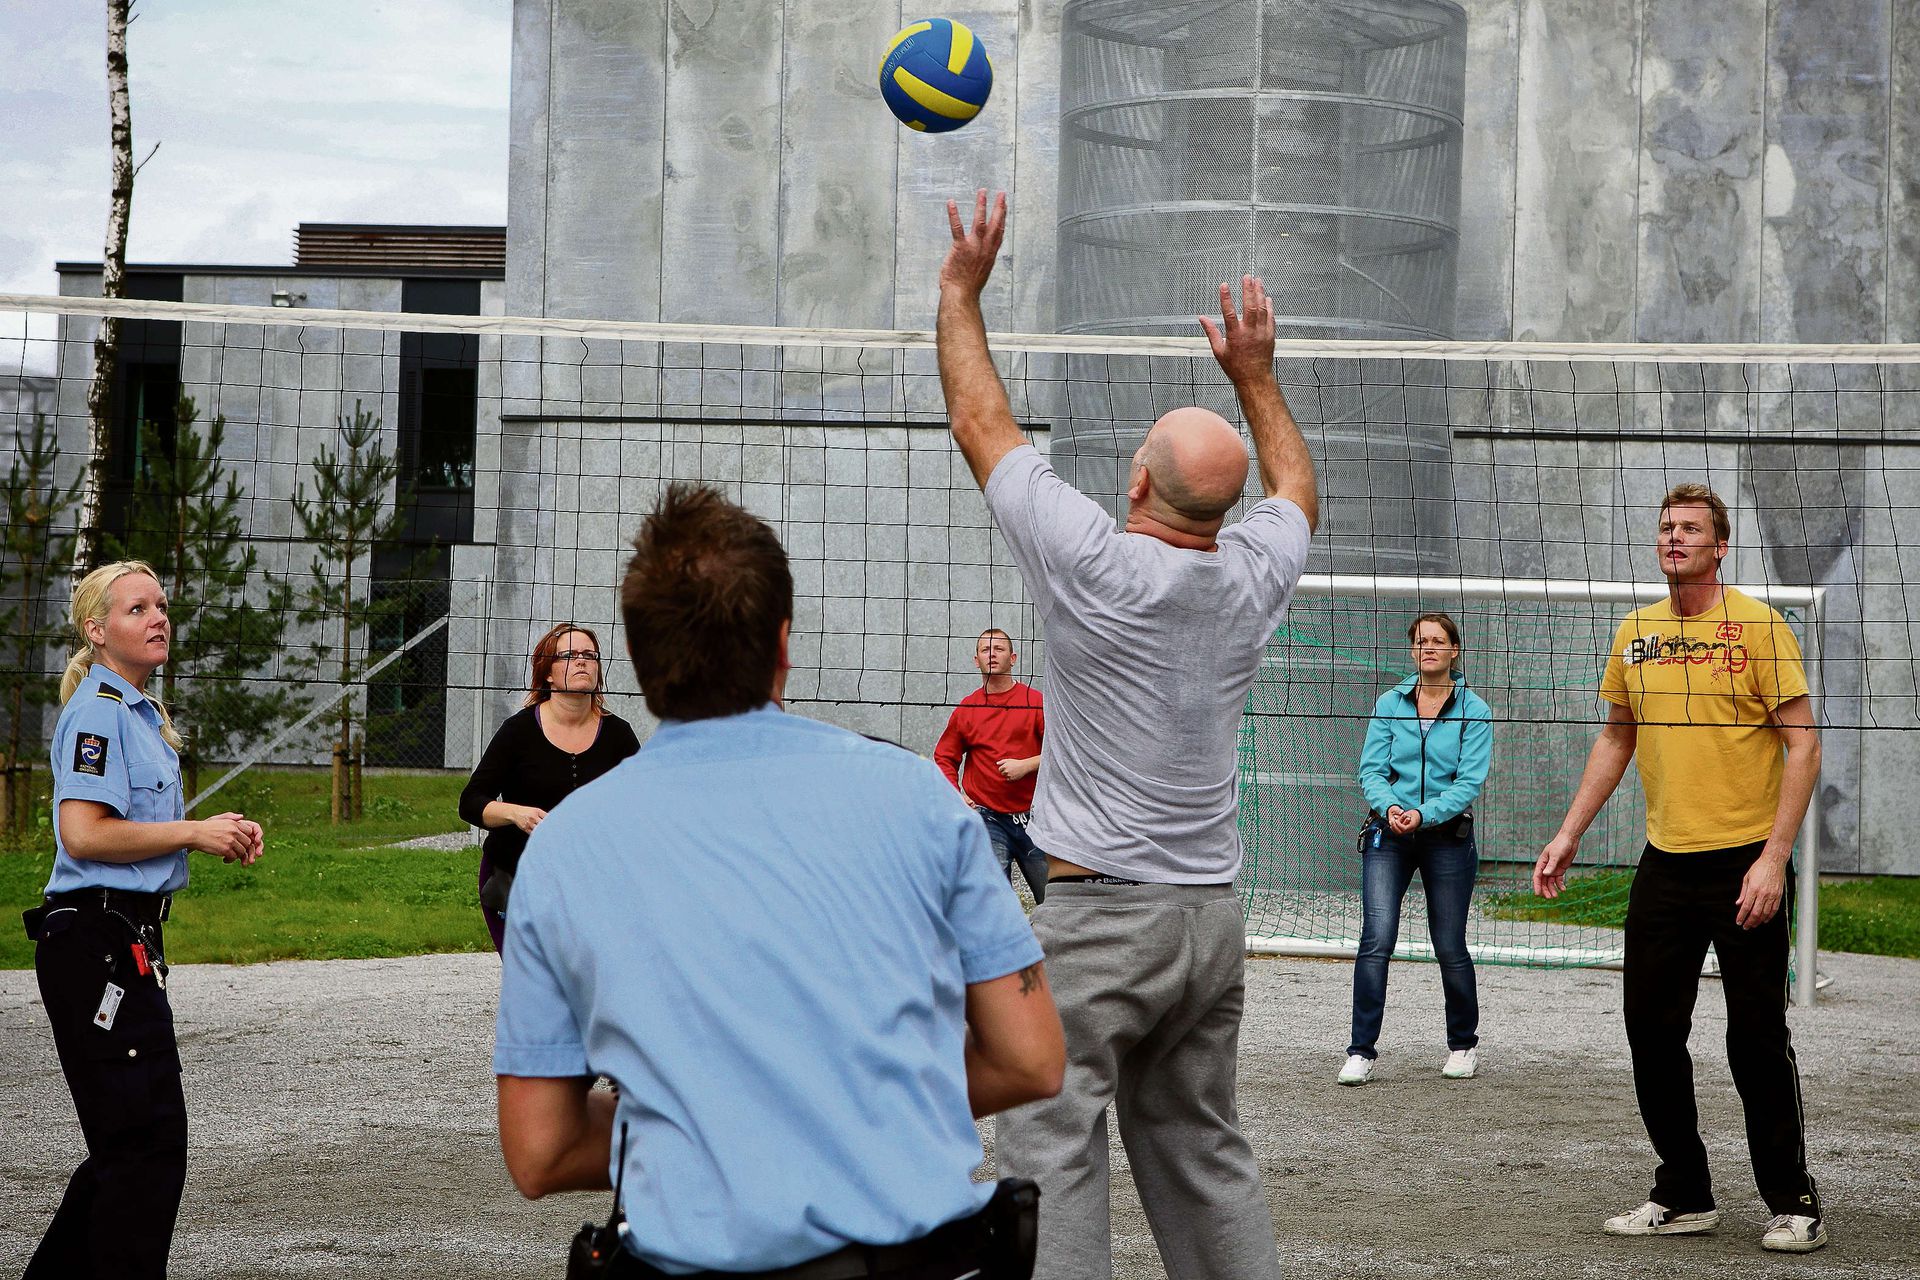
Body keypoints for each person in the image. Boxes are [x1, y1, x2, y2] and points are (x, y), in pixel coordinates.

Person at [493, 484, 1067, 1278]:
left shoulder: (564, 848)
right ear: (784, 643)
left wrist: (705, 1119)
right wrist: (848, 1102)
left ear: (638, 657)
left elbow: (541, 1149)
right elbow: (1030, 1059)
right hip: (917, 1259)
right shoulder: (921, 798)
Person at [935, 190, 1317, 1280]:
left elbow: (981, 423)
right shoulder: (1251, 576)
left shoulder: (1092, 560)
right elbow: (1295, 484)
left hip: (1101, 913)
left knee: (1052, 1144)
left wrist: (962, 290)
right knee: (1203, 1150)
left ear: (1138, 482)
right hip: (1209, 919)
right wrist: (1255, 373)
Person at [1534, 483, 1826, 1254]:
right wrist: (1568, 832)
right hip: (1665, 862)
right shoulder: (1635, 633)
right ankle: (1685, 1191)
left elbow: (1804, 744)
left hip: (1745, 861)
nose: (1674, 539)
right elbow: (1616, 738)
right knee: (1650, 1032)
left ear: (1720, 545)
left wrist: (1774, 859)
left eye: (1690, 529)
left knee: (1755, 1038)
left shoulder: (1759, 628)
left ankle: (1793, 1200)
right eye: (1665, 528)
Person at [23, 561, 264, 1280]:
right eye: (137, 609)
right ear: (97, 630)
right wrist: (193, 833)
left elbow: (129, 833)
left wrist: (209, 834)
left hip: (116, 941)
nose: (158, 617)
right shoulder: (98, 713)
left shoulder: (135, 711)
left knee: (132, 1148)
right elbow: (86, 836)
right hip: (93, 944)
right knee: (144, 1150)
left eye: (161, 605)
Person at [1339, 612, 1493, 1086]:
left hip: (1447, 838)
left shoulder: (1475, 710)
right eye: (1421, 641)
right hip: (1391, 834)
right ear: (1413, 651)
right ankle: (1361, 1051)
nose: (1428, 648)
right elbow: (1371, 771)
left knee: (1449, 944)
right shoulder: (1389, 703)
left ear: (1454, 651)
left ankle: (1463, 1045)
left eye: (1437, 641)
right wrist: (1391, 810)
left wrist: (1423, 814)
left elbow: (1469, 781)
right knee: (1376, 940)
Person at [459, 623, 639, 952]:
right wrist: (516, 813)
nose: (582, 661)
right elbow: (470, 802)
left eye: (589, 655)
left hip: (593, 884)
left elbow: (642, 810)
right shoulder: (518, 731)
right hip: (517, 880)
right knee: (538, 988)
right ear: (548, 674)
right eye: (569, 655)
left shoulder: (619, 735)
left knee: (586, 987)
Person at [934, 628, 1047, 901]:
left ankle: (1047, 943)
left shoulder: (1035, 702)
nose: (992, 655)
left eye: (999, 649)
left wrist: (1027, 765)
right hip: (988, 817)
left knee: (1053, 899)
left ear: (1013, 658)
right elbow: (944, 757)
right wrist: (956, 795)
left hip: (1035, 817)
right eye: (985, 650)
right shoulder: (968, 708)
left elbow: (1065, 750)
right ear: (976, 660)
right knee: (993, 901)